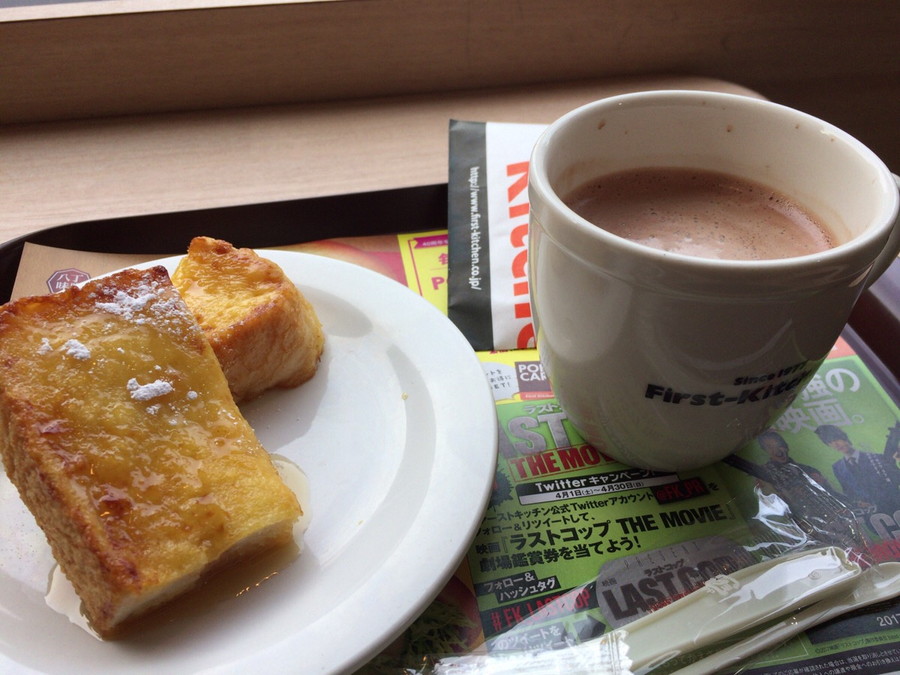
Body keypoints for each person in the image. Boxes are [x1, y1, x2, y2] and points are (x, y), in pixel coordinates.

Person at [815, 424, 900, 517]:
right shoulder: (837, 467)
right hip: (871, 515)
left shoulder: (878, 457)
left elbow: (896, 479)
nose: (836, 444)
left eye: (836, 439)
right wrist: (858, 503)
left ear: (844, 437)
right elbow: (848, 492)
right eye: (830, 442)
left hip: (895, 505)